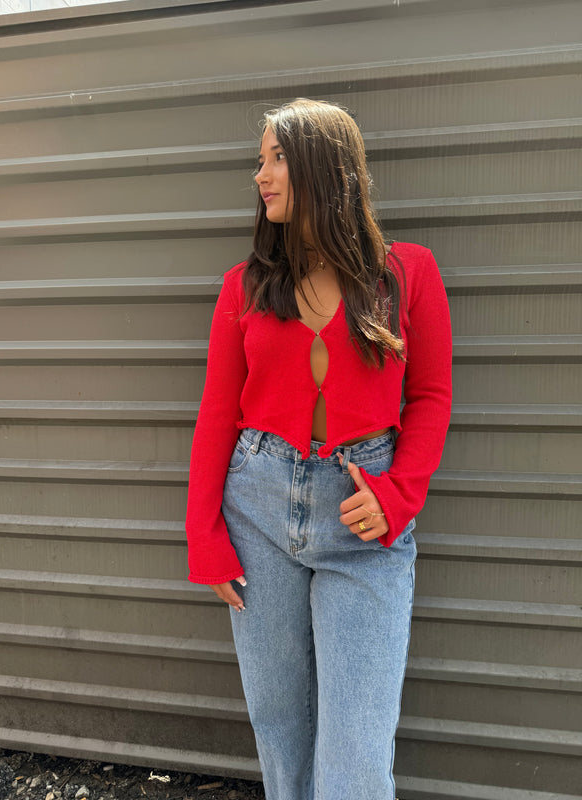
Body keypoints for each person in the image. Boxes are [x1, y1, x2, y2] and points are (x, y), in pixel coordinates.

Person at [186, 98, 452, 800]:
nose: (260, 175)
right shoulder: (243, 288)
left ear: (321, 168)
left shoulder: (409, 274)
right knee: (282, 732)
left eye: (275, 157)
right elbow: (217, 414)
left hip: (364, 519)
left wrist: (398, 497)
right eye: (262, 158)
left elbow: (430, 399)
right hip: (257, 511)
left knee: (356, 749)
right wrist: (203, 534)